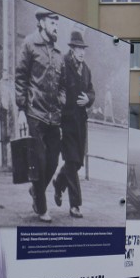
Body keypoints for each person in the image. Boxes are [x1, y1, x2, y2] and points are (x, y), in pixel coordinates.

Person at [15, 10, 65, 222]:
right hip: (34, 113)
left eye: (57, 23)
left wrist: (62, 99)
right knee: (39, 161)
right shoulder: (29, 44)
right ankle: (42, 207)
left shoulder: (58, 51)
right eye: (53, 22)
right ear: (42, 22)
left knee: (53, 161)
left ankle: (36, 191)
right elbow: (20, 78)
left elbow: (62, 85)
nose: (56, 26)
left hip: (54, 116)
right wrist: (20, 109)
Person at [53, 30, 94, 219]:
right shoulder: (63, 64)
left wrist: (89, 99)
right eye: (78, 48)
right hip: (66, 121)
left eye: (83, 48)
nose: (82, 52)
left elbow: (92, 92)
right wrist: (61, 102)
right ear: (72, 49)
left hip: (80, 123)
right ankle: (75, 205)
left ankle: (58, 183)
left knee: (76, 163)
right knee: (71, 161)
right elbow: (57, 87)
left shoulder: (86, 70)